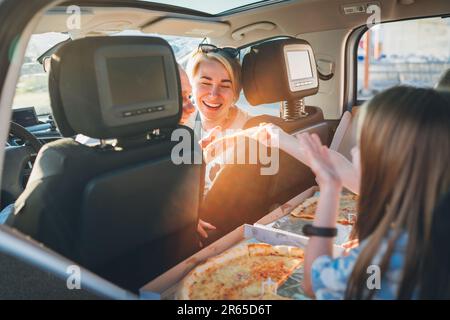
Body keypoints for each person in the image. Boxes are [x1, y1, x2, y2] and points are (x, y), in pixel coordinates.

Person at [284, 86, 450, 299]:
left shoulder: (386, 257)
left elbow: (313, 283)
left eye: (362, 146)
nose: (353, 151)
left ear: (390, 164)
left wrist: (329, 189)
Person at [185, 44, 252, 240]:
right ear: (192, 86)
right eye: (205, 82)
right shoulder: (179, 125)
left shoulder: (251, 131)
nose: (214, 94)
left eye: (225, 85)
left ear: (235, 94)